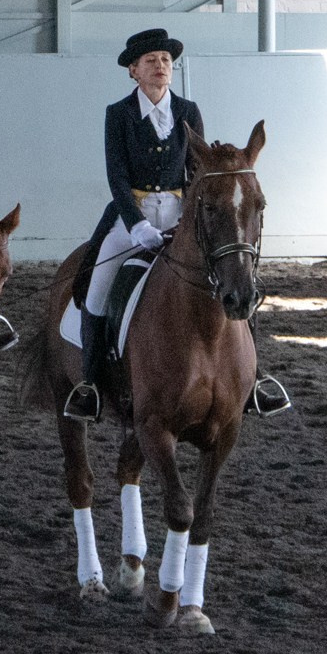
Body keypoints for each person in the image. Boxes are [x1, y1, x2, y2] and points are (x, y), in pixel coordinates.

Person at [61, 28, 207, 421]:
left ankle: (255, 378)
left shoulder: (188, 111)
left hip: (181, 218)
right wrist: (137, 224)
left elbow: (196, 173)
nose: (160, 67)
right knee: (97, 290)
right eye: (151, 61)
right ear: (133, 71)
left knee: (229, 279)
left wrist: (190, 223)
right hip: (131, 219)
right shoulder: (118, 114)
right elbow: (117, 178)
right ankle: (89, 384)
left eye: (165, 61)